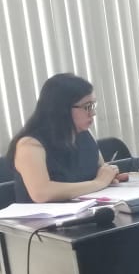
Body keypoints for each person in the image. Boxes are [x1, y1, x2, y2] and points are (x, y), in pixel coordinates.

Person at [6, 73, 127, 203]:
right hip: (44, 220)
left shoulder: (85, 134)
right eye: (87, 107)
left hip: (87, 212)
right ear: (61, 108)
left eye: (93, 105)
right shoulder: (30, 145)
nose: (93, 113)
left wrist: (110, 177)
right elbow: (41, 193)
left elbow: (101, 173)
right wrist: (99, 183)